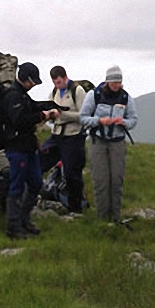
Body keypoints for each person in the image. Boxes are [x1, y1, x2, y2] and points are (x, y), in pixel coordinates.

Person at [1, 62, 57, 239]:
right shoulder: (13, 96)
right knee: (17, 186)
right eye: (32, 82)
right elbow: (19, 120)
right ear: (25, 79)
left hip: (29, 147)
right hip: (17, 148)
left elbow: (32, 106)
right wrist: (44, 116)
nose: (33, 85)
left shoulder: (22, 95)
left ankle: (24, 219)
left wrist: (49, 107)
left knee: (35, 183)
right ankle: (13, 227)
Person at [79, 65, 138, 222]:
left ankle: (116, 217)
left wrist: (123, 122)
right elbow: (83, 117)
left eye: (119, 82)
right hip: (98, 141)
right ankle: (102, 218)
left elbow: (133, 119)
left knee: (116, 180)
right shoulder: (94, 95)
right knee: (101, 181)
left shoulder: (126, 98)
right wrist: (99, 121)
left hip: (117, 143)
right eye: (114, 83)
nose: (117, 85)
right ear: (107, 82)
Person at [43, 65, 87, 213]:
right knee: (40, 158)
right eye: (54, 82)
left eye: (59, 82)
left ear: (65, 77)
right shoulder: (54, 92)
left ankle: (75, 207)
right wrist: (49, 115)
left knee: (71, 173)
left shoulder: (77, 91)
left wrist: (62, 115)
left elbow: (84, 116)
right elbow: (50, 108)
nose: (57, 85)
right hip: (57, 135)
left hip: (73, 136)